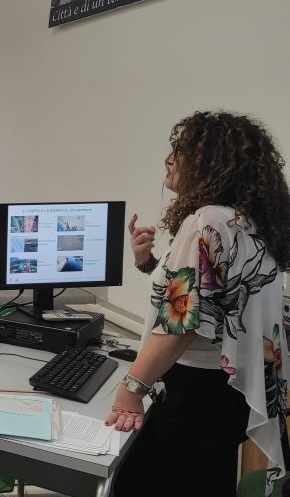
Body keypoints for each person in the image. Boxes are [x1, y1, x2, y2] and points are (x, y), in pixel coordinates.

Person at [107, 111, 290, 497]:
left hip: (194, 394)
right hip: (228, 393)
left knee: (132, 482)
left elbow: (182, 323)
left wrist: (131, 388)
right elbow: (214, 301)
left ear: (212, 162)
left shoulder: (206, 222)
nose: (169, 160)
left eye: (180, 151)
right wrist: (149, 264)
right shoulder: (246, 220)